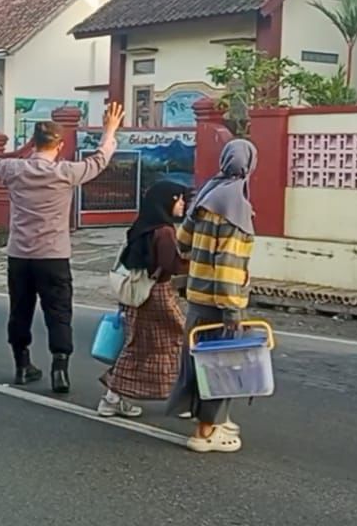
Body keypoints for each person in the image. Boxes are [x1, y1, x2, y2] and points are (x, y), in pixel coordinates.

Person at [0, 101, 125, 392]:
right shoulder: (66, 172)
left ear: (33, 143)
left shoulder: (14, 169)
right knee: (59, 312)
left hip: (20, 255)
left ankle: (22, 365)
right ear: (60, 146)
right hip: (53, 256)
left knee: (20, 311)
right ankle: (60, 370)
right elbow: (99, 160)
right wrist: (110, 130)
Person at [168, 139, 257, 454]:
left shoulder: (207, 195)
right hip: (220, 303)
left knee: (198, 363)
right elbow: (228, 265)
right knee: (222, 367)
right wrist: (232, 310)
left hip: (197, 298)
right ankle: (205, 433)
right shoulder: (237, 208)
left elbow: (182, 243)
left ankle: (212, 421)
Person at [98, 181, 188, 418]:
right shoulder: (165, 231)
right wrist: (198, 263)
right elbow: (171, 265)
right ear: (166, 202)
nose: (183, 203)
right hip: (156, 294)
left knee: (140, 345)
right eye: (178, 199)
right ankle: (182, 399)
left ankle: (113, 398)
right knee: (176, 340)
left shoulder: (143, 226)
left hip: (139, 294)